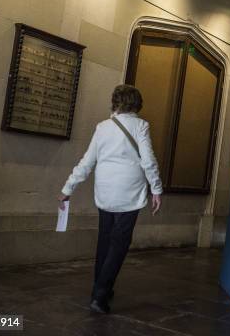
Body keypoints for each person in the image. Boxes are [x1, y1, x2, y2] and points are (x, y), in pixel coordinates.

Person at [58, 84, 163, 314]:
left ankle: (100, 287)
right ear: (137, 104)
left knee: (105, 240)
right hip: (129, 192)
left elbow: (87, 162)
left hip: (105, 191)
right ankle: (100, 295)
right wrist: (156, 188)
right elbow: (148, 160)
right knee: (119, 244)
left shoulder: (103, 127)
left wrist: (68, 188)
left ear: (115, 102)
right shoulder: (141, 126)